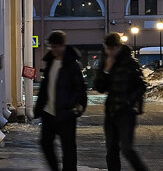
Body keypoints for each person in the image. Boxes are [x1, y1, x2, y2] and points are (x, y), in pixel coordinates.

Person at [34, 30, 87, 171]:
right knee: (45, 144)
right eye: (52, 46)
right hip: (48, 112)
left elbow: (80, 88)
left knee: (68, 149)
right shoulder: (50, 62)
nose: (54, 49)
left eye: (56, 46)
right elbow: (46, 87)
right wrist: (39, 107)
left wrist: (76, 107)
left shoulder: (72, 65)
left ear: (63, 45)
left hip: (66, 113)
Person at [95, 33, 148, 171]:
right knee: (111, 151)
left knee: (126, 148)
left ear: (119, 47)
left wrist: (129, 100)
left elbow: (141, 86)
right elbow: (100, 87)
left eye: (113, 49)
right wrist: (106, 70)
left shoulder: (130, 63)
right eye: (108, 49)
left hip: (126, 112)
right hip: (111, 112)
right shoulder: (106, 62)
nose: (110, 52)